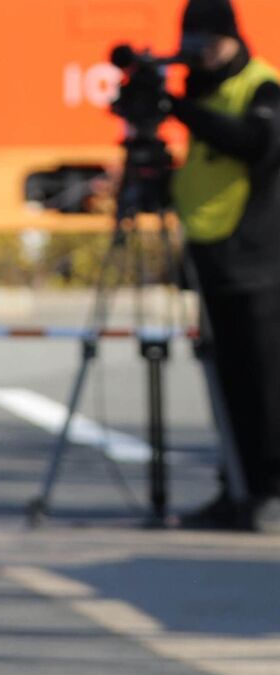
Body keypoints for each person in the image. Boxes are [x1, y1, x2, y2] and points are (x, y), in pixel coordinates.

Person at [168, 0, 280, 533]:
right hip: (213, 257)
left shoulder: (262, 87)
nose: (203, 55)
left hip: (259, 262)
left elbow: (256, 143)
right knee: (228, 382)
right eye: (193, 44)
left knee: (265, 385)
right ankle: (237, 487)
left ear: (233, 38)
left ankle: (268, 491)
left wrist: (180, 108)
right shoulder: (202, 88)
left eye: (210, 42)